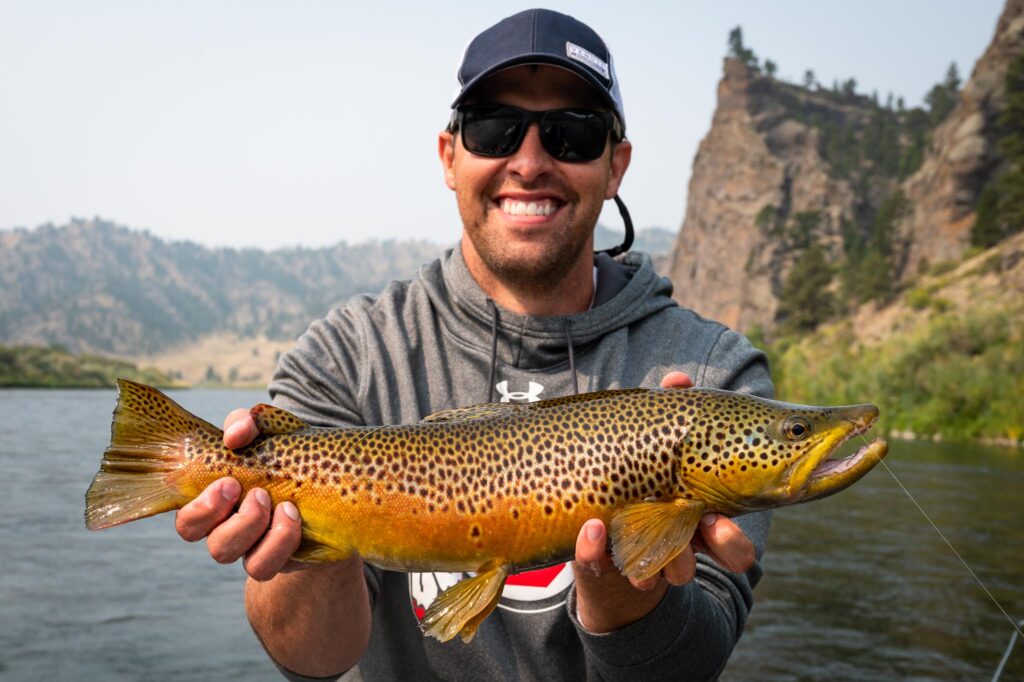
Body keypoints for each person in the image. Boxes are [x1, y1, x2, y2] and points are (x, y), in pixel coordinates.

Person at [174, 9, 773, 681]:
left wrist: (620, 582)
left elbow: (694, 663)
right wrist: (307, 549)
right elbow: (314, 661)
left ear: (616, 166)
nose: (529, 161)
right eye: (495, 128)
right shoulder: (347, 356)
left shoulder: (715, 376)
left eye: (572, 135)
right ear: (448, 156)